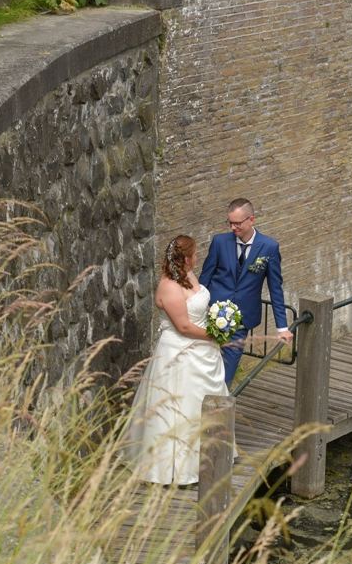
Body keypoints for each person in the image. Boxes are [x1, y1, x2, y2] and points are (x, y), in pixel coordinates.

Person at [118, 235, 234, 485]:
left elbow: (199, 308)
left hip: (203, 352)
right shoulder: (169, 286)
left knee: (203, 402)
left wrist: (219, 322)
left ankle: (210, 457)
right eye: (195, 254)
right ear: (186, 259)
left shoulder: (188, 275)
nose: (197, 257)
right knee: (181, 406)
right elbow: (183, 326)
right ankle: (178, 469)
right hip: (180, 353)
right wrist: (216, 335)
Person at [199, 199, 292, 387]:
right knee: (204, 366)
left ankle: (219, 402)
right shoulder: (219, 242)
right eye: (230, 222)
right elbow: (204, 279)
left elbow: (275, 288)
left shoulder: (269, 247)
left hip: (242, 319)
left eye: (237, 223)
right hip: (211, 316)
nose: (233, 227)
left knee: (228, 371)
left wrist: (282, 327)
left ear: (251, 219)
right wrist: (197, 308)